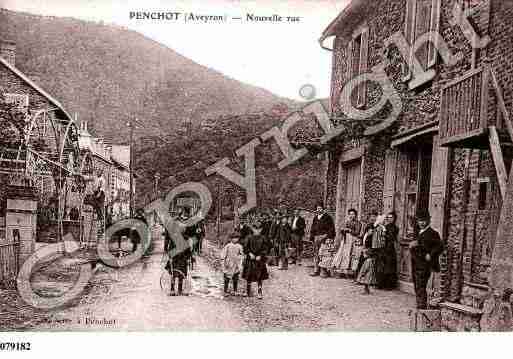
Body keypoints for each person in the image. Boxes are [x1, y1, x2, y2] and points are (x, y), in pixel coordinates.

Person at [409, 211, 444, 309]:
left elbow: (440, 246)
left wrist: (431, 254)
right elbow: (417, 245)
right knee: (417, 285)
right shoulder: (418, 232)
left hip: (424, 264)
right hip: (416, 263)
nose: (422, 223)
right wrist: (413, 245)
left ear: (429, 221)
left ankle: (421, 306)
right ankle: (420, 304)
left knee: (421, 285)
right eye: (420, 221)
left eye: (424, 221)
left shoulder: (433, 233)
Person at [356, 214, 385, 294]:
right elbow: (365, 239)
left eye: (374, 218)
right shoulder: (368, 227)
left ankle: (367, 287)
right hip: (368, 250)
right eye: (371, 218)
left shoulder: (379, 229)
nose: (372, 219)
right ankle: (366, 286)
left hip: (373, 250)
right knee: (366, 268)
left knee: (369, 268)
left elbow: (379, 242)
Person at [242, 221, 271, 299]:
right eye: (255, 229)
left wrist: (261, 255)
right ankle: (247, 291)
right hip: (250, 260)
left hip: (259, 261)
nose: (257, 231)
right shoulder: (248, 237)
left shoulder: (263, 238)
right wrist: (249, 253)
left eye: (259, 229)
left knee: (260, 276)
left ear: (261, 229)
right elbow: (245, 247)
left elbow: (266, 249)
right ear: (252, 229)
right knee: (248, 275)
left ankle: (260, 292)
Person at [332, 208, 362, 278]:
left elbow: (357, 232)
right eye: (350, 214)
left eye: (353, 214)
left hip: (352, 240)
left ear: (356, 215)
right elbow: (342, 230)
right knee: (343, 254)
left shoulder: (358, 223)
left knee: (350, 255)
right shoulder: (347, 222)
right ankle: (342, 271)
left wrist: (349, 230)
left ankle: (349, 272)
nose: (351, 216)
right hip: (346, 240)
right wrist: (343, 230)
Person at [164, 225, 193, 296]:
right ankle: (172, 289)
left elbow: (189, 250)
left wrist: (188, 257)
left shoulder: (186, 239)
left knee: (180, 275)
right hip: (176, 259)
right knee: (174, 274)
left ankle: (179, 290)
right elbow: (170, 249)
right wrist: (170, 257)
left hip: (182, 259)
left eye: (182, 230)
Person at [309, 203, 336, 277]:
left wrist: (327, 237)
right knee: (316, 254)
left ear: (323, 209)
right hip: (316, 238)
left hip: (324, 238)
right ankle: (316, 270)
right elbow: (312, 228)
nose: (319, 210)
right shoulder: (315, 218)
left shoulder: (328, 218)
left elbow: (331, 229)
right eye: (317, 208)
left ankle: (323, 271)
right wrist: (312, 237)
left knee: (324, 254)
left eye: (320, 208)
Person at [378, 211, 399, 290]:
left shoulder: (395, 228)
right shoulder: (386, 226)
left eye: (391, 218)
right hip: (384, 247)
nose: (390, 219)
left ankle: (389, 285)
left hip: (390, 248)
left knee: (389, 267)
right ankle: (381, 284)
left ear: (394, 219)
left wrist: (385, 233)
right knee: (383, 266)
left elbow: (391, 237)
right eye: (388, 217)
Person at [221, 232, 244, 296]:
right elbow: (223, 254)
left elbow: (242, 254)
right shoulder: (228, 246)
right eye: (234, 238)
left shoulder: (239, 246)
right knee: (226, 278)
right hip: (228, 264)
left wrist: (240, 259)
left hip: (236, 264)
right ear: (231, 239)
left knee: (235, 278)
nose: (235, 239)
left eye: (237, 238)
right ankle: (225, 291)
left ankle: (235, 290)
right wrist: (223, 261)